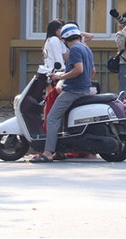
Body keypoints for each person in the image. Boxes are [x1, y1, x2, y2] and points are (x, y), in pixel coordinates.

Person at [31, 23, 94, 162]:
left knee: (52, 117)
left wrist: (61, 77)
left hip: (73, 90)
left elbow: (79, 69)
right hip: (84, 89)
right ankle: (60, 151)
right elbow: (92, 71)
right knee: (62, 118)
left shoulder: (75, 49)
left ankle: (48, 152)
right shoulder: (86, 48)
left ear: (65, 39)